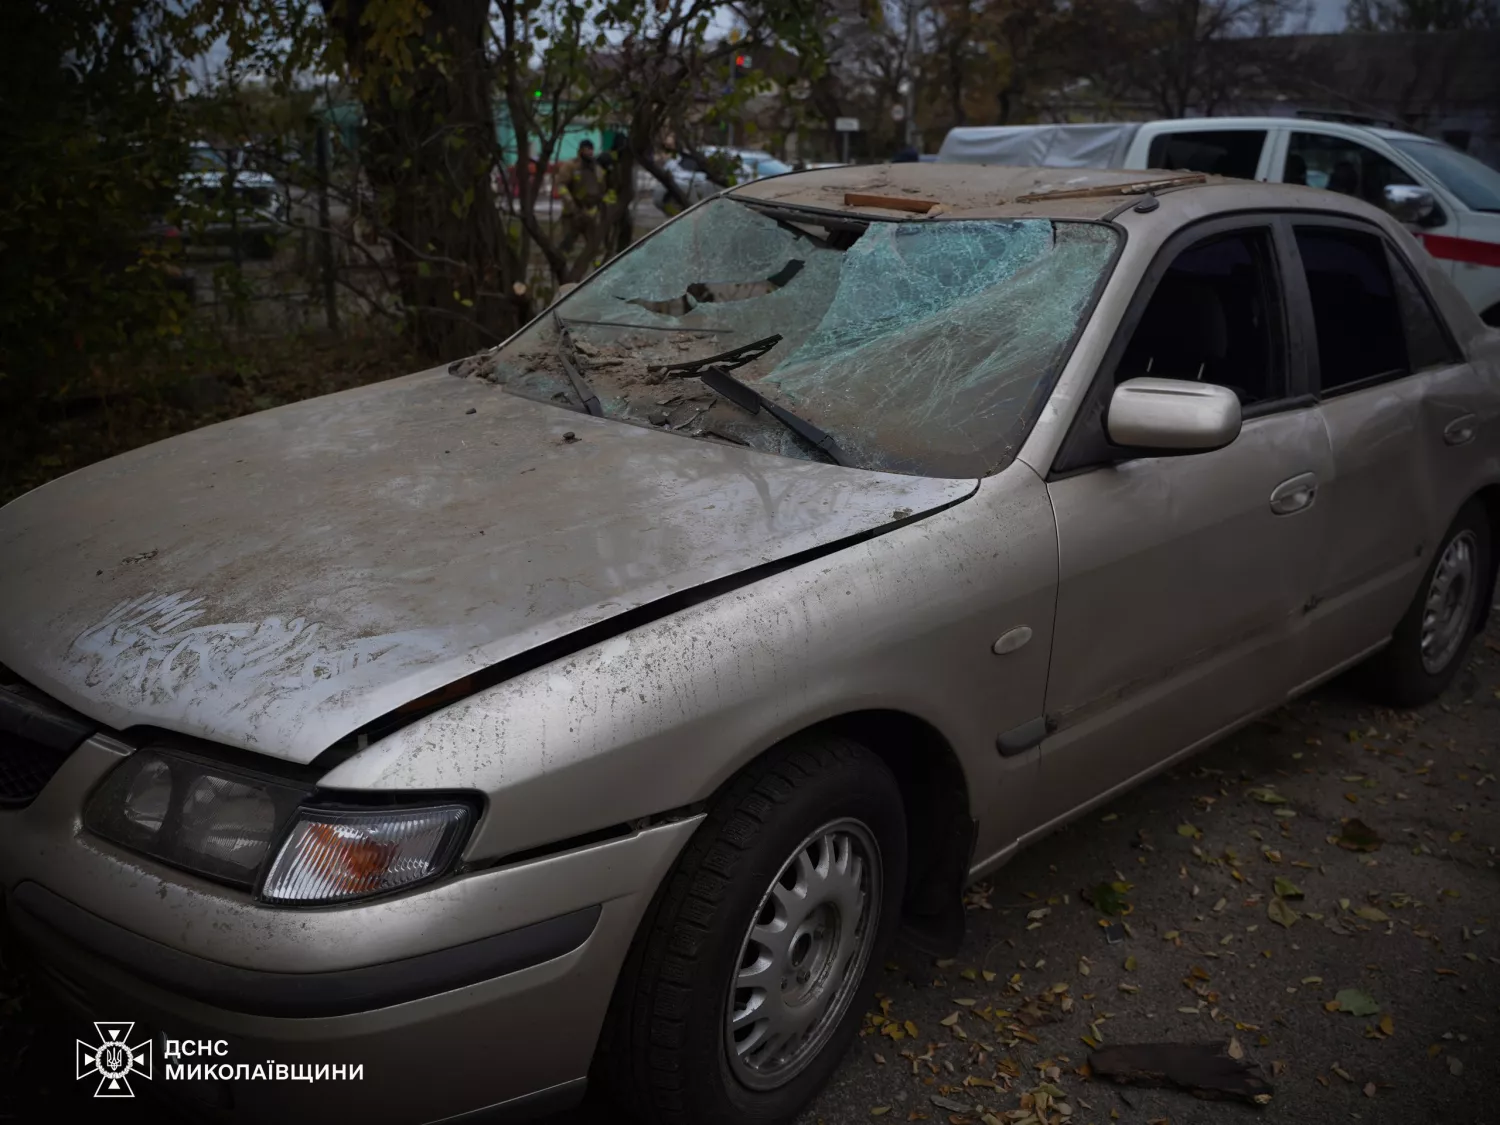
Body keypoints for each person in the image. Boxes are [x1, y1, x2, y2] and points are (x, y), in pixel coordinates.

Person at [558, 140, 606, 255]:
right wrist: (571, 204)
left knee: (595, 246)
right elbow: (561, 185)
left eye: (591, 149)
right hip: (572, 214)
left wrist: (597, 208)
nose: (589, 152)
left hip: (591, 214)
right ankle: (561, 269)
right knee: (567, 245)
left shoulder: (597, 169)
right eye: (586, 149)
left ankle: (598, 269)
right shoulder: (570, 166)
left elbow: (602, 189)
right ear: (580, 150)